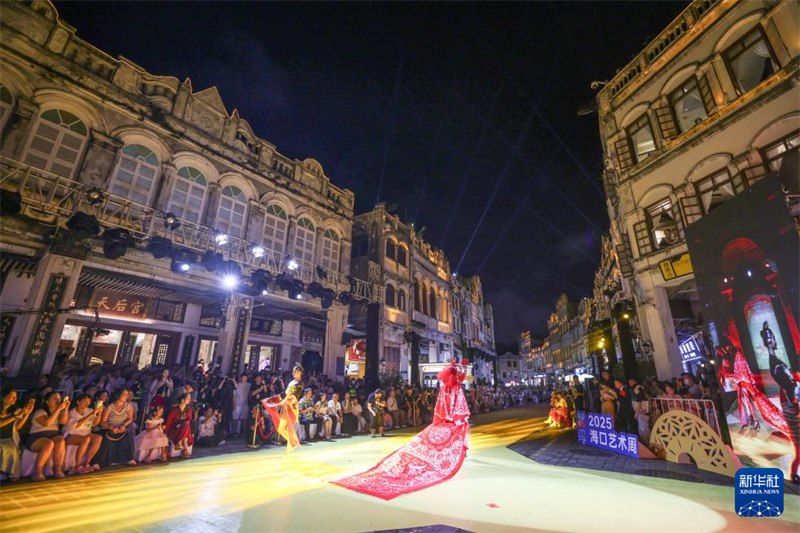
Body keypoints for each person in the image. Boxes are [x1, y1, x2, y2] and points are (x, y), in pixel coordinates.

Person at [332, 358, 472, 500]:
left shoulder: (444, 389)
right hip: (454, 420)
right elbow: (458, 406)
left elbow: (440, 408)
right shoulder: (455, 389)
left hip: (445, 419)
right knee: (459, 433)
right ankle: (461, 453)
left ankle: (457, 453)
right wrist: (458, 418)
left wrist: (440, 419)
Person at [261, 364, 303, 454]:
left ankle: (289, 449)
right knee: (281, 429)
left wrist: (284, 401)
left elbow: (294, 397)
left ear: (300, 373)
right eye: (293, 372)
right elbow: (285, 393)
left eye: (296, 372)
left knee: (288, 429)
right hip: (286, 406)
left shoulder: (299, 384)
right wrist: (278, 399)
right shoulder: (293, 382)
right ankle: (292, 443)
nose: (294, 373)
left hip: (291, 408)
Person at [27, 391, 70, 480]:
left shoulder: (59, 411)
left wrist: (66, 409)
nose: (57, 400)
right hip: (37, 436)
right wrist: (58, 409)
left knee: (61, 441)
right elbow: (47, 423)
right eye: (54, 398)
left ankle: (57, 469)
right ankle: (38, 471)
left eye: (59, 398)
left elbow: (63, 422)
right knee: (49, 443)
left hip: (53, 434)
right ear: (47, 401)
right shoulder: (40, 412)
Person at [62, 393, 103, 474]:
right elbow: (76, 426)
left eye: (89, 401)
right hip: (71, 434)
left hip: (85, 433)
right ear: (78, 402)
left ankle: (87, 463)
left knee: (98, 438)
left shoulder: (90, 410)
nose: (87, 403)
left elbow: (94, 424)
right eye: (85, 401)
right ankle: (77, 466)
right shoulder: (72, 412)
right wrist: (90, 415)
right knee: (86, 439)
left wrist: (99, 414)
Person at [95, 389, 136, 468]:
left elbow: (130, 418)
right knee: (107, 438)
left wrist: (123, 425)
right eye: (124, 394)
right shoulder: (109, 407)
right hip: (110, 428)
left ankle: (128, 458)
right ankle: (100, 461)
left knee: (127, 436)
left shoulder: (129, 406)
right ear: (118, 395)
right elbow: (103, 422)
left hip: (122, 428)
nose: (126, 396)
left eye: (127, 395)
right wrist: (112, 427)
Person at [0, 388, 33, 481]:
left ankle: (12, 475)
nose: (14, 399)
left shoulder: (15, 410)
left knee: (13, 448)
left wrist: (26, 415)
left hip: (8, 438)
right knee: (2, 448)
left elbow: (17, 427)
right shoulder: (14, 414)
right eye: (12, 397)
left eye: (15, 397)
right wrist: (14, 417)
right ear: (3, 398)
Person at [164, 393, 193, 458]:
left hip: (184, 428)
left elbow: (188, 420)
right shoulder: (175, 410)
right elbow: (169, 422)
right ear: (183, 400)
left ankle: (181, 443)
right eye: (188, 399)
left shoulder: (188, 409)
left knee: (186, 424)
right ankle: (185, 448)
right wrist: (166, 431)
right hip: (175, 430)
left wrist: (182, 424)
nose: (189, 400)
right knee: (186, 425)